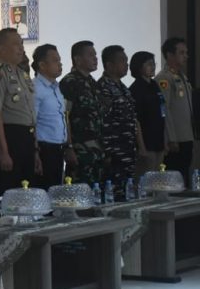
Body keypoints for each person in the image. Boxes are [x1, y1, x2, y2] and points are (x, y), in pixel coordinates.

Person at [0, 28, 40, 194]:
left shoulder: (23, 74)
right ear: (2, 49)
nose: (21, 48)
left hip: (28, 138)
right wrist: (3, 152)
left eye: (22, 44)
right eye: (16, 44)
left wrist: (35, 151)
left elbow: (31, 116)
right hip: (11, 138)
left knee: (29, 191)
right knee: (12, 192)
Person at [60, 41, 105, 185]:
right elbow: (65, 116)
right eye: (91, 55)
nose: (95, 58)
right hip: (80, 150)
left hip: (97, 150)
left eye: (95, 55)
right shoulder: (69, 82)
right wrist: (68, 147)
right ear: (78, 59)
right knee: (79, 191)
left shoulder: (93, 83)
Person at [98, 46, 138, 193]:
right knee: (112, 192)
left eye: (126, 61)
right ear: (109, 65)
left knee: (127, 191)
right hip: (114, 152)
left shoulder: (124, 88)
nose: (126, 64)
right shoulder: (103, 88)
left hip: (128, 149)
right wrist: (107, 152)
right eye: (122, 61)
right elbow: (103, 122)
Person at [156, 37, 195, 185]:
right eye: (182, 52)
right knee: (174, 179)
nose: (186, 56)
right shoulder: (164, 78)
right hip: (176, 139)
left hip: (187, 135)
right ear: (170, 55)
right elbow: (164, 109)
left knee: (185, 176)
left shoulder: (182, 77)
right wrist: (171, 138)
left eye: (186, 52)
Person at [32, 44, 72, 188]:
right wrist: (35, 151)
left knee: (56, 190)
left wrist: (68, 145)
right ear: (42, 65)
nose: (60, 64)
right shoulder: (35, 88)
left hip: (58, 149)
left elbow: (63, 118)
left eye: (59, 60)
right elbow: (32, 122)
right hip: (44, 149)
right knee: (45, 191)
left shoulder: (56, 87)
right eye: (55, 60)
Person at [129, 51, 166, 177]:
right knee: (145, 179)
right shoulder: (136, 88)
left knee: (157, 178)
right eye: (149, 64)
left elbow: (162, 111)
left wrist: (165, 140)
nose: (153, 67)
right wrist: (141, 147)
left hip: (159, 140)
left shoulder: (154, 84)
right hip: (146, 142)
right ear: (139, 67)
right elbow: (136, 120)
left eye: (154, 64)